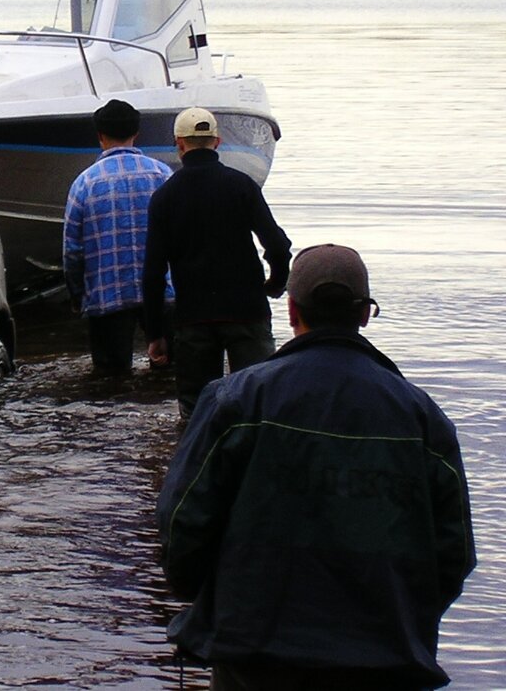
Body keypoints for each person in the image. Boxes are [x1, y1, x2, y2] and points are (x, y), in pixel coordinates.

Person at [156, 243, 476, 690]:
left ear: (292, 311)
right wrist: (401, 619)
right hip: (384, 660)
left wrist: (210, 599)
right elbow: (454, 553)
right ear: (364, 314)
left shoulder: (236, 399)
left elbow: (183, 523)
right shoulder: (423, 417)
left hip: (252, 655)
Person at [142, 106, 291, 416]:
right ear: (218, 142)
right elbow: (276, 244)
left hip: (194, 318)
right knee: (260, 405)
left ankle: (197, 462)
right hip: (247, 313)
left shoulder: (165, 197)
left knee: (197, 413)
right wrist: (275, 283)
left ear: (179, 144)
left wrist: (155, 333)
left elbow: (154, 271)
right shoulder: (241, 185)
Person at [63, 99, 172, 375]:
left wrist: (78, 294)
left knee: (110, 380)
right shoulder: (162, 174)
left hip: (106, 295)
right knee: (170, 374)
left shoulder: (85, 183)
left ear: (100, 136)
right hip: (163, 294)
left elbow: (72, 250)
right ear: (136, 133)